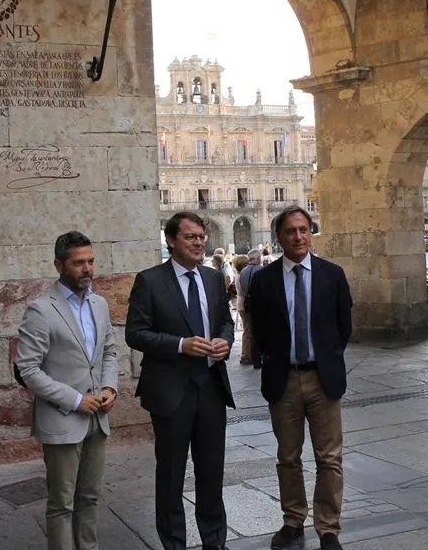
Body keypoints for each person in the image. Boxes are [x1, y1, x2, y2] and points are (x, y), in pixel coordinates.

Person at [126, 212, 235, 550]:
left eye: (201, 236)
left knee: (211, 473)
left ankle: (214, 540)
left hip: (211, 390)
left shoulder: (214, 279)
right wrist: (179, 345)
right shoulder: (150, 280)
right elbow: (135, 333)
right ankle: (174, 543)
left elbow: (225, 322)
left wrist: (224, 341)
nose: (199, 242)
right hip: (171, 392)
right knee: (171, 475)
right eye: (190, 237)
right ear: (171, 241)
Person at [246, 206, 353, 550]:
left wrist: (327, 358)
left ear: (311, 232)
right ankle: (293, 520)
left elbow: (343, 327)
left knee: (329, 457)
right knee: (288, 456)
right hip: (284, 380)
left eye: (304, 230)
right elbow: (258, 328)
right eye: (291, 231)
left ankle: (328, 527)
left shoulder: (332, 275)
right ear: (279, 237)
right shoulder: (264, 280)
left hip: (323, 379)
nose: (298, 237)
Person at [15, 231, 118, 550]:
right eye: (78, 263)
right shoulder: (41, 310)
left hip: (98, 420)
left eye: (90, 261)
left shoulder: (99, 304)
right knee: (61, 504)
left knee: (90, 497)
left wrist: (109, 387)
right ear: (59, 264)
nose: (87, 269)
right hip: (62, 422)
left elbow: (110, 352)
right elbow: (28, 370)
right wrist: (75, 400)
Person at [237, 250, 263, 368]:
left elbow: (242, 289)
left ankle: (249, 355)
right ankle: (254, 356)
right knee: (257, 330)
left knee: (247, 330)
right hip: (257, 303)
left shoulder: (243, 271)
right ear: (257, 258)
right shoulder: (260, 270)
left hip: (245, 303)